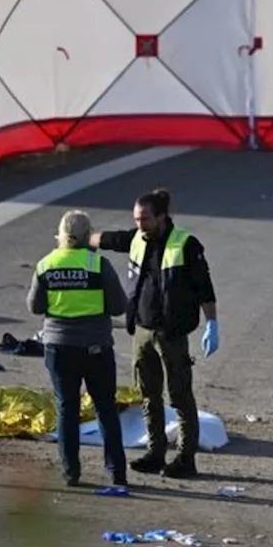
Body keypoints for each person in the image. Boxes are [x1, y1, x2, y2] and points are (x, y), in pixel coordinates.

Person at [89, 188, 218, 479]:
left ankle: (186, 458)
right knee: (148, 395)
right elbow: (109, 239)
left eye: (145, 219)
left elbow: (205, 288)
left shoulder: (186, 245)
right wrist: (80, 237)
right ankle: (155, 452)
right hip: (143, 332)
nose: (139, 225)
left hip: (172, 335)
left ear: (161, 217)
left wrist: (212, 323)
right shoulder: (137, 238)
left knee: (180, 397)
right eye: (136, 219)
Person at [27, 210, 128, 488]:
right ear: (88, 236)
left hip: (59, 349)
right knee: (105, 407)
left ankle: (71, 473)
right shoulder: (99, 265)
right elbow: (119, 305)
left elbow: (34, 306)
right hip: (96, 348)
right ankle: (117, 472)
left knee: (67, 408)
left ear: (60, 235)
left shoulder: (46, 265)